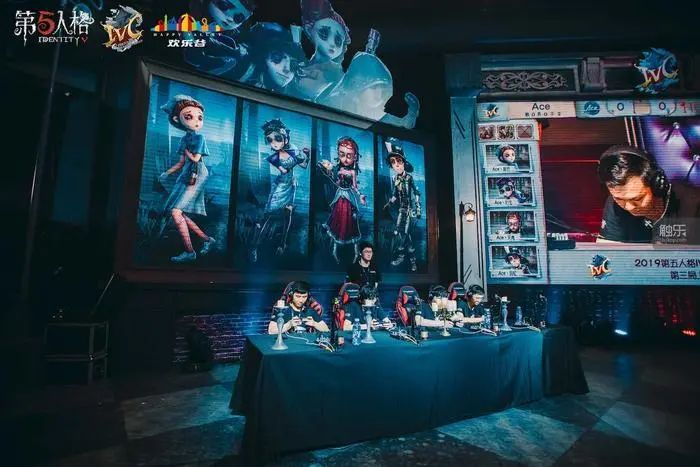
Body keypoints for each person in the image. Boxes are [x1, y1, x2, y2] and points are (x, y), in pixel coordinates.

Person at [597, 145, 699, 243]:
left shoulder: (694, 204)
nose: (629, 207)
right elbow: (607, 250)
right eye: (619, 199)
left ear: (656, 185)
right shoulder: (615, 203)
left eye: (637, 199)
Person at [159, 95, 216, 263]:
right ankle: (207, 240)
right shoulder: (184, 139)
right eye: (189, 116)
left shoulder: (200, 138)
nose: (196, 121)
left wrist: (187, 152)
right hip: (186, 173)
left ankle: (190, 252)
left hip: (197, 173)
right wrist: (167, 173)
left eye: (200, 117)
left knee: (176, 212)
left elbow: (196, 158)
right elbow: (181, 162)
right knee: (178, 212)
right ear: (177, 119)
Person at [249, 118, 310, 262]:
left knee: (288, 214)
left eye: (277, 138)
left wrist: (306, 156)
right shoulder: (274, 157)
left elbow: (304, 166)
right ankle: (254, 248)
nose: (274, 143)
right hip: (280, 185)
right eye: (270, 140)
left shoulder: (293, 148)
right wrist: (299, 157)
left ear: (285, 137)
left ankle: (282, 244)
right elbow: (284, 170)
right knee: (267, 215)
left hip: (291, 185)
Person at [318, 136, 367, 263]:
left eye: (349, 156)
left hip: (348, 196)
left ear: (355, 157)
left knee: (350, 221)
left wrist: (360, 196)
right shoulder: (339, 169)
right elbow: (337, 182)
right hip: (340, 195)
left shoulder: (353, 172)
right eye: (342, 155)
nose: (345, 159)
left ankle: (355, 252)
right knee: (338, 219)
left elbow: (354, 187)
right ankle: (335, 249)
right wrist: (329, 174)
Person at [292, 0, 350, 101]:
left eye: (338, 40)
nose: (331, 43)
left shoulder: (338, 74)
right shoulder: (301, 61)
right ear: (309, 30)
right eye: (324, 33)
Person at [385, 138, 421, 272]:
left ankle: (402, 257)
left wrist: (418, 209)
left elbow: (416, 192)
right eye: (393, 162)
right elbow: (395, 194)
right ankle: (413, 260)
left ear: (404, 163)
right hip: (401, 210)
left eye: (399, 161)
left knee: (405, 233)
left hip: (410, 210)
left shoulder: (409, 178)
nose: (396, 165)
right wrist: (389, 202)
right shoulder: (395, 179)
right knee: (399, 232)